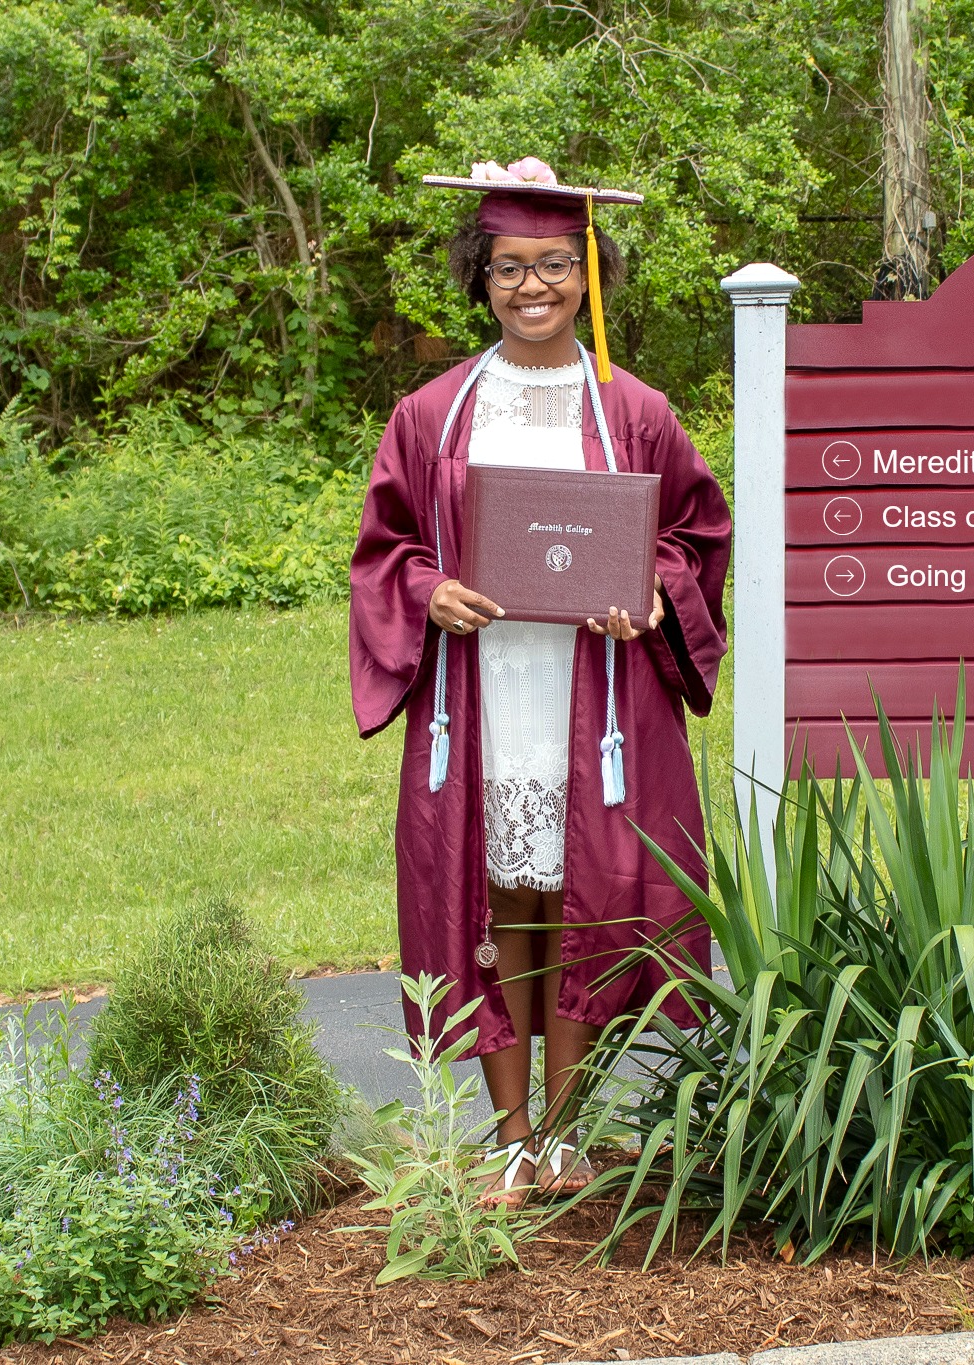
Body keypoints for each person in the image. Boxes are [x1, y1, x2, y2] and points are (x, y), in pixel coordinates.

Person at [348, 157, 731, 1205]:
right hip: (482, 692)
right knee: (500, 893)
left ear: (588, 274)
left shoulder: (633, 410)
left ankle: (565, 1132)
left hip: (595, 693)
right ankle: (512, 1138)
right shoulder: (432, 414)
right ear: (480, 277)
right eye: (510, 266)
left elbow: (695, 535)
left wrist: (651, 591)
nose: (533, 286)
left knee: (578, 895)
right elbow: (385, 550)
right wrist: (428, 592)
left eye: (556, 264)